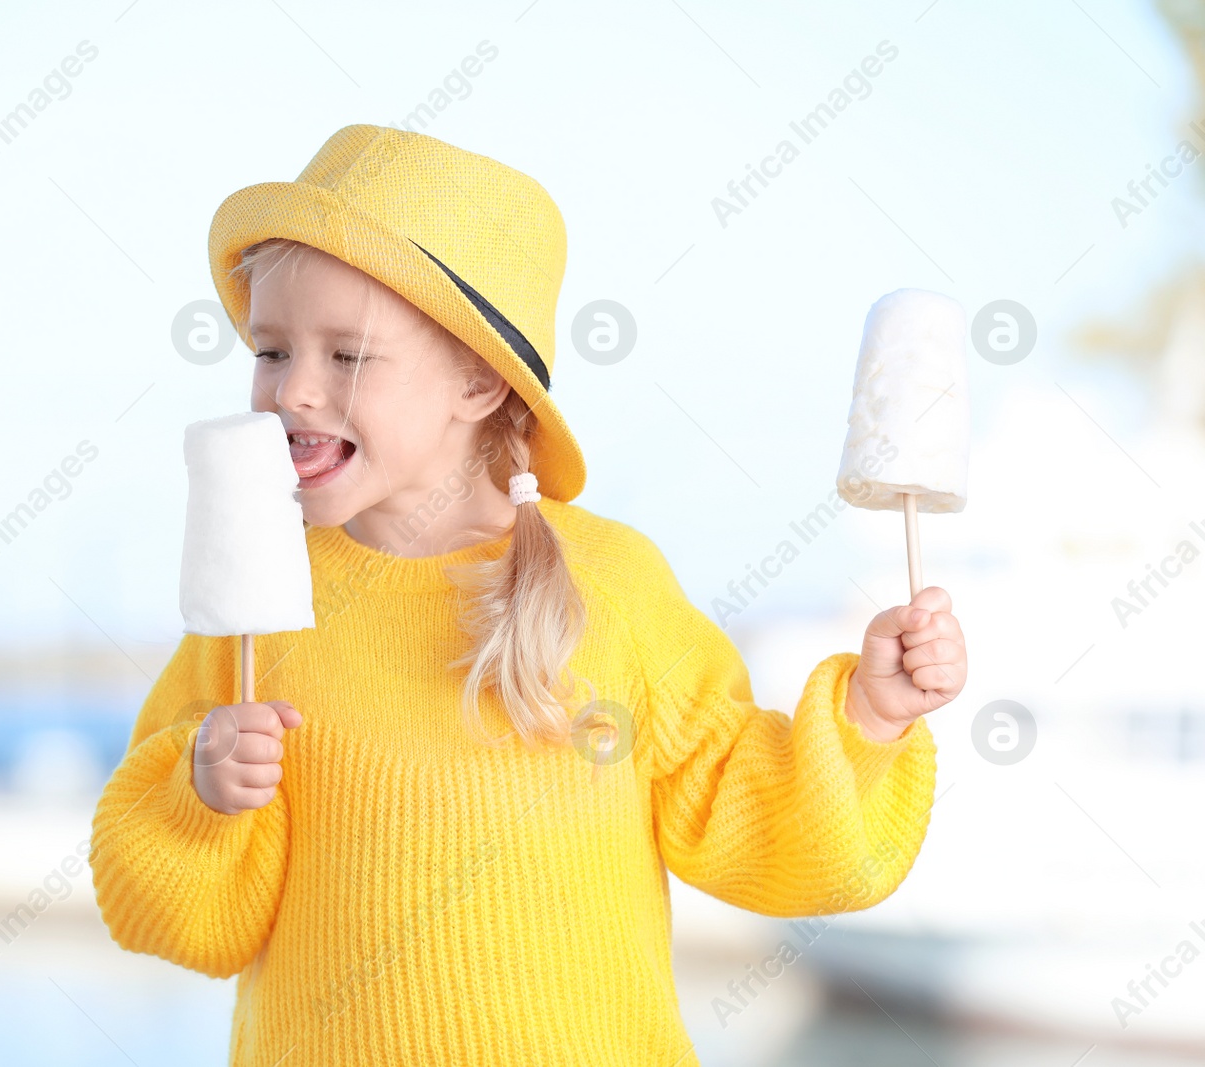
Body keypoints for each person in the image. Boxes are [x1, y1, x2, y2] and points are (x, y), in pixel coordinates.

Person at [89, 124, 966, 1065]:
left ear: (476, 380)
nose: (292, 390)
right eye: (270, 351)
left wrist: (871, 716)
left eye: (347, 356)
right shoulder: (259, 618)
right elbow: (184, 929)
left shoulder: (614, 588)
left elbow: (757, 827)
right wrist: (201, 793)